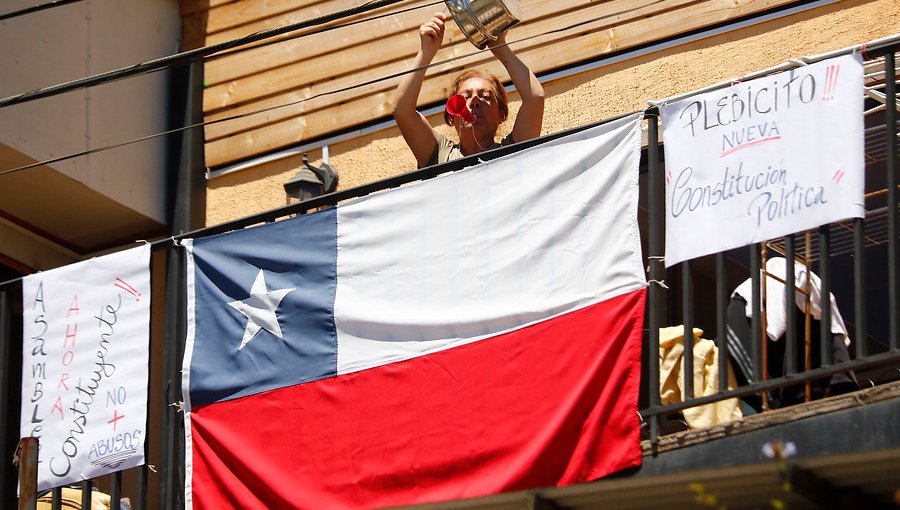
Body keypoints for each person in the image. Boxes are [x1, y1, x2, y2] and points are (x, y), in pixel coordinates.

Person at [393, 13, 544, 168]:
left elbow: (535, 98)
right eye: (465, 97)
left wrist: (500, 47)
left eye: (485, 96)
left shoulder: (511, 153)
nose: (475, 101)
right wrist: (426, 52)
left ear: (501, 114)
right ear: (452, 117)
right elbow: (402, 110)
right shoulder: (440, 154)